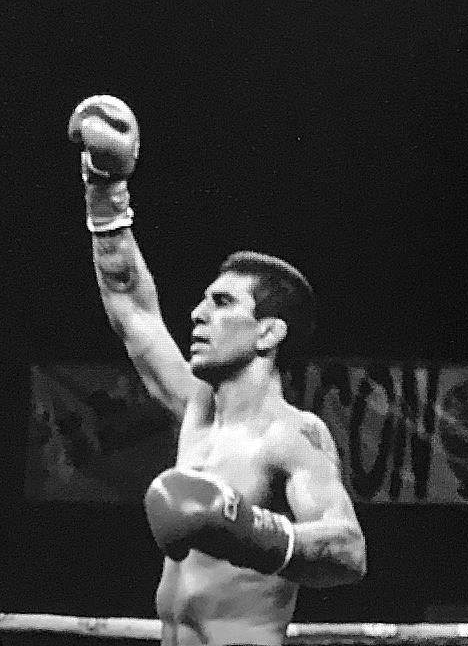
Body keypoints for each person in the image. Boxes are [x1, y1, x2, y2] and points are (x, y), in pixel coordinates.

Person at [72, 94, 366, 645]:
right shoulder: (195, 411)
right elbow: (130, 302)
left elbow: (349, 552)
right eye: (204, 300)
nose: (198, 314)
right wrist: (105, 189)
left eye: (224, 303)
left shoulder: (291, 434)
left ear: (269, 332)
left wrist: (246, 530)